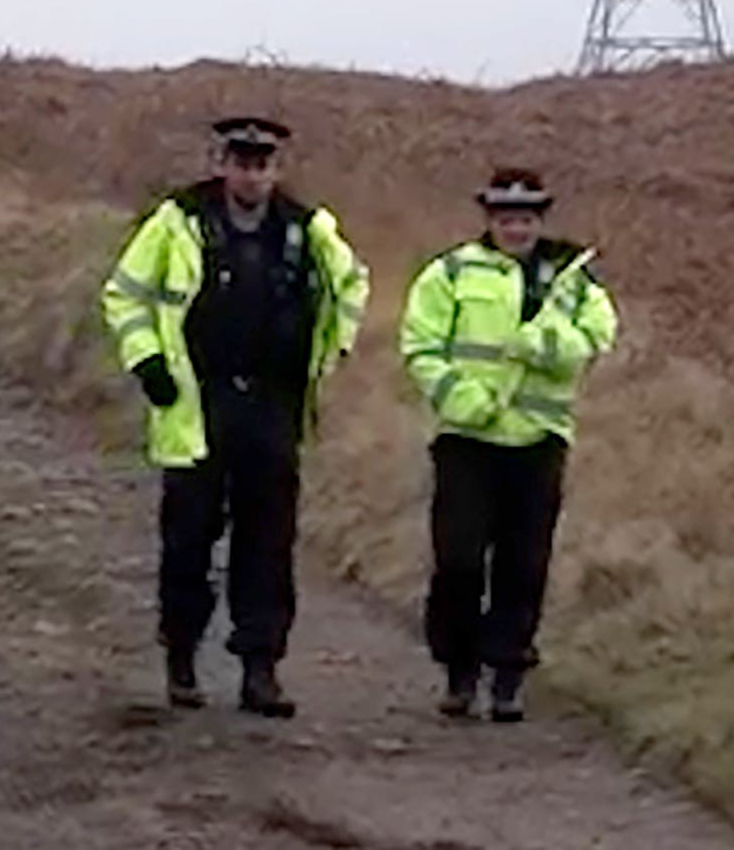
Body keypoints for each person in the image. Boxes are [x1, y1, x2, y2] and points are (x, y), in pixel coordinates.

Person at [97, 114, 370, 718]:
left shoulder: (307, 228)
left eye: (262, 163)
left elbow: (352, 285)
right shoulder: (178, 220)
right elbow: (126, 293)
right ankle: (182, 657)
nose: (251, 174)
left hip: (274, 403)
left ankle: (261, 667)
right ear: (221, 163)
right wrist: (148, 363)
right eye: (241, 161)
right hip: (198, 402)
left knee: (269, 543)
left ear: (277, 168)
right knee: (189, 538)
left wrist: (331, 350)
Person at [398, 164, 619, 722]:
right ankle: (458, 668)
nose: (515, 229)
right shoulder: (450, 272)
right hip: (466, 439)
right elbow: (420, 345)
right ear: (489, 219)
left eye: (524, 219)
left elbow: (598, 335)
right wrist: (458, 398)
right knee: (459, 560)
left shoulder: (572, 277)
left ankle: (508, 674)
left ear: (540, 220)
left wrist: (543, 342)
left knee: (523, 566)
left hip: (539, 441)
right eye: (505, 218)